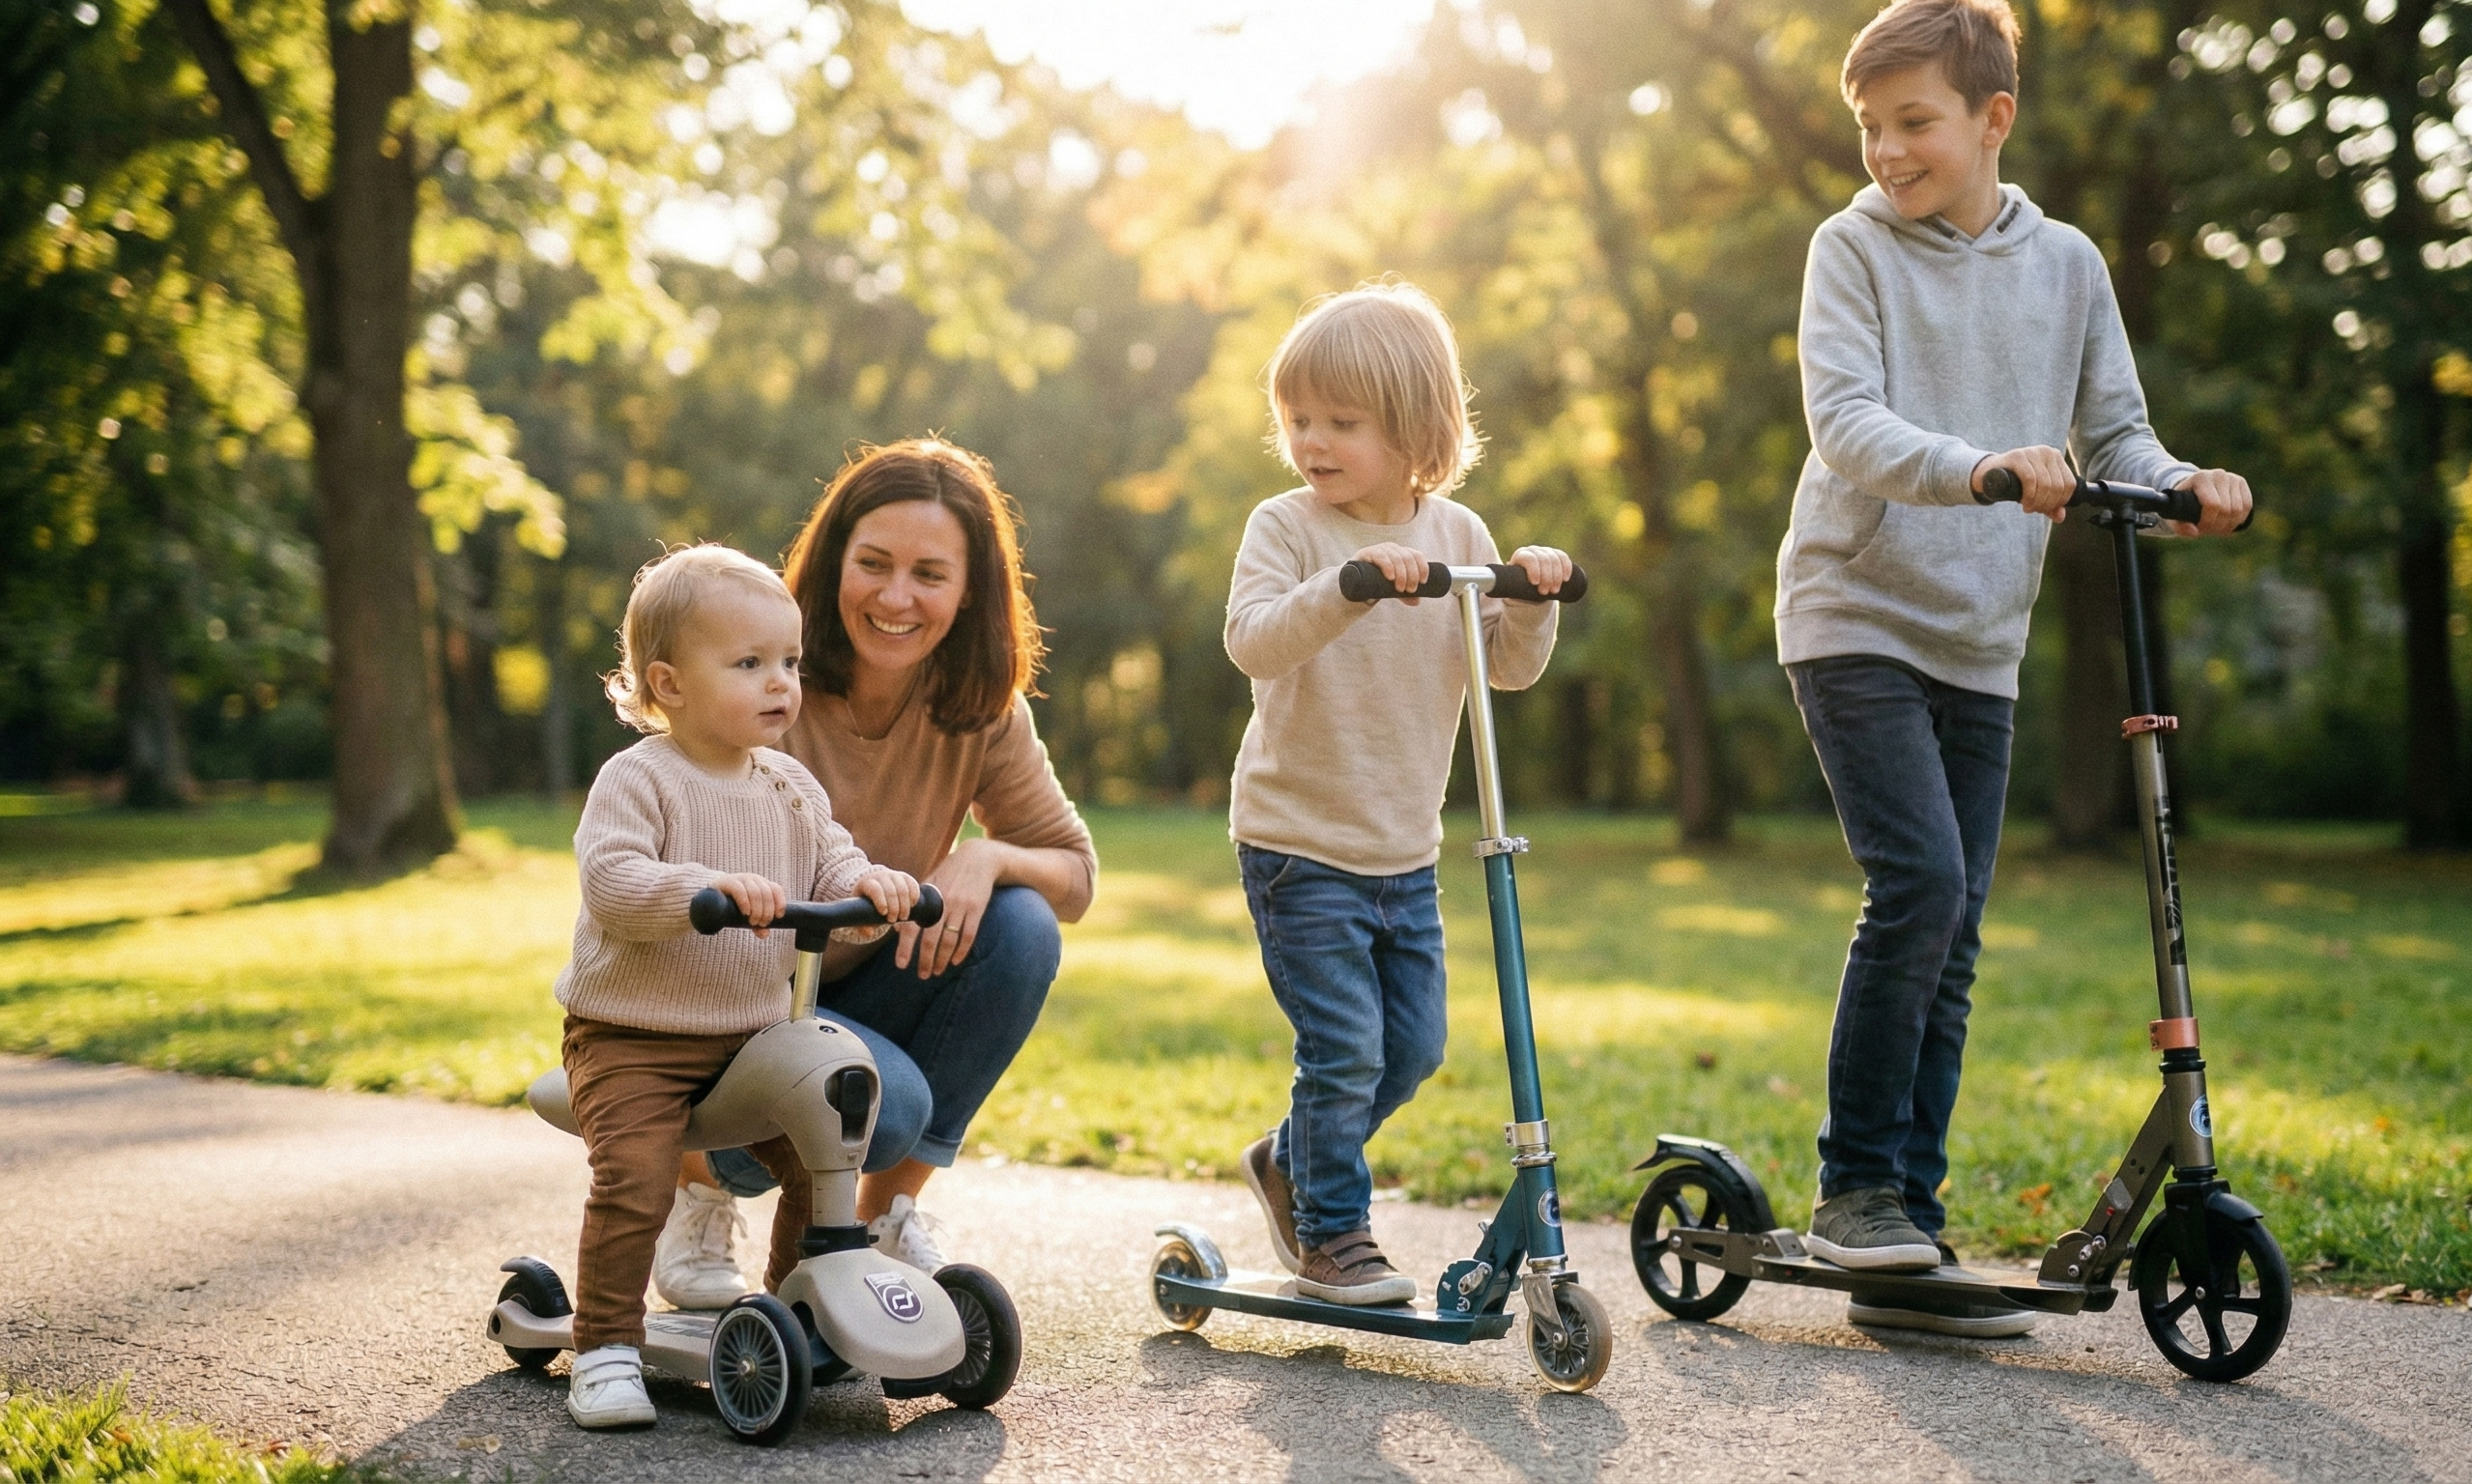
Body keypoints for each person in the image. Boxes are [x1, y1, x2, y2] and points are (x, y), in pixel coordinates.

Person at [1776, 0, 2253, 1338]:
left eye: (1911, 122)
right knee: (1917, 882)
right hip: (1852, 607)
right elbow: (1848, 424)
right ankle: (1853, 1188)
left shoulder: (2069, 267)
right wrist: (1980, 468)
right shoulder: (1849, 249)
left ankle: (1904, 1236)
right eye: (1869, 127)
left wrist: (2185, 485)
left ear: (1991, 120)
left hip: (1978, 639)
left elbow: (2118, 434)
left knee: (1958, 928)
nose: (1885, 150)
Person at [649, 440, 1096, 1309]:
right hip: (731, 1003)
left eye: (930, 573)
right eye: (874, 565)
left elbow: (1075, 877)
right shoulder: (766, 680)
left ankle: (879, 1220)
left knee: (1023, 925)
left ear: (969, 592)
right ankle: (700, 1189)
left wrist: (988, 854)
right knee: (886, 1110)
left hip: (857, 988)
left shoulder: (980, 710)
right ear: (833, 565)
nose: (896, 598)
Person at [1222, 282, 1572, 1304]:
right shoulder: (1285, 528)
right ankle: (1332, 1231)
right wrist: (1347, 584)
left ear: (1416, 427)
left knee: (1411, 1049)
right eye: (1297, 420)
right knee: (1343, 1049)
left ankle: (1288, 1158)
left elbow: (1504, 670)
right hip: (1297, 844)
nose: (1311, 442)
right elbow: (1251, 640)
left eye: (1341, 422)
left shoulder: (1460, 534)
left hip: (1402, 851)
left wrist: (1533, 595)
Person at [554, 543, 922, 1428]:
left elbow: (833, 866)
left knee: (822, 1158)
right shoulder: (639, 779)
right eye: (750, 663)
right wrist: (701, 892)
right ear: (670, 685)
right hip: (631, 1037)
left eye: (789, 662)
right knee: (636, 1177)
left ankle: (796, 1312)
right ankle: (605, 1346)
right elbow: (613, 881)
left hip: (752, 1037)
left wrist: (872, 891)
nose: (780, 683)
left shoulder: (790, 785)